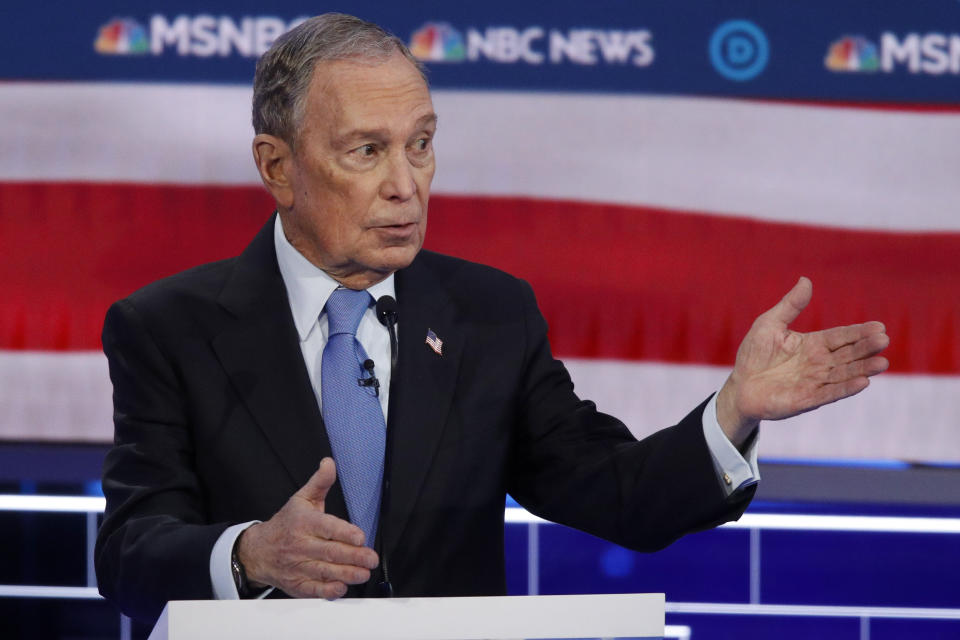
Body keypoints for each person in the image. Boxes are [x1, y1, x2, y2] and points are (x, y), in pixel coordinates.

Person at [94, 13, 890, 625]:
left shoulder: (489, 316)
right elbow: (129, 557)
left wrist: (734, 412)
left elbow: (621, 495)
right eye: (367, 151)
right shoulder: (168, 328)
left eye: (422, 144)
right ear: (277, 167)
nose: (407, 186)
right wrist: (250, 555)